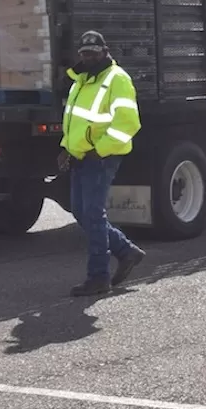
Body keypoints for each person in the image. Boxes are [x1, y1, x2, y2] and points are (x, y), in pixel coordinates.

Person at [58, 30, 146, 297]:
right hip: (80, 156)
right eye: (84, 53)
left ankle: (99, 277)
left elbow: (128, 123)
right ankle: (126, 251)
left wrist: (101, 150)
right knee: (81, 212)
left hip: (102, 158)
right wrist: (65, 148)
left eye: (93, 53)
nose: (88, 58)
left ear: (104, 51)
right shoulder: (80, 80)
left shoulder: (117, 80)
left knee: (93, 214)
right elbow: (73, 121)